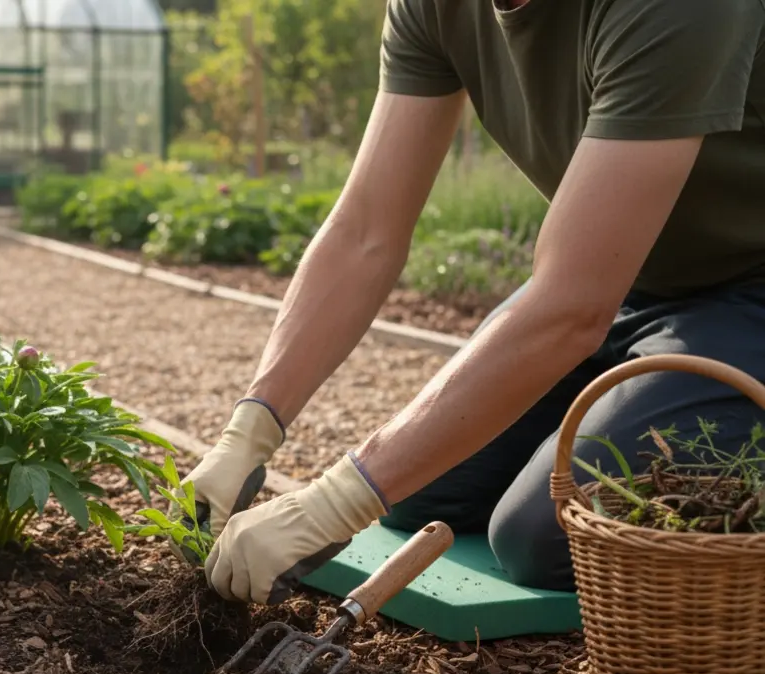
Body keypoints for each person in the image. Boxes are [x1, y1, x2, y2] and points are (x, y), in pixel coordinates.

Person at [190, 0, 765, 606]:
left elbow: (571, 306)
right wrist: (250, 431)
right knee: (420, 494)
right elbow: (365, 233)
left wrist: (334, 503)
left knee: (541, 537)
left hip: (748, 288)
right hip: (628, 279)